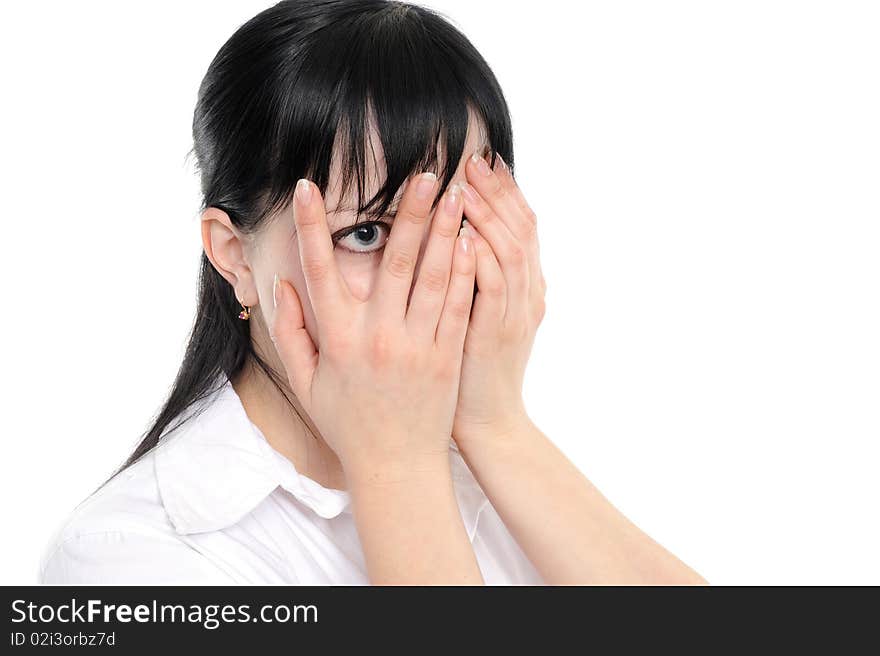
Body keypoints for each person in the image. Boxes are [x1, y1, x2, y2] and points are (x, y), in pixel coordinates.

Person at [40, 0, 706, 585]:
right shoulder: (126, 555)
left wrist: (496, 425)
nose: (426, 273)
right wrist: (396, 461)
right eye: (363, 232)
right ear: (234, 255)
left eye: (459, 219)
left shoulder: (497, 477)